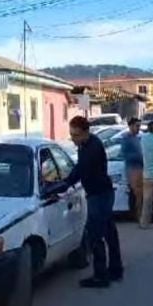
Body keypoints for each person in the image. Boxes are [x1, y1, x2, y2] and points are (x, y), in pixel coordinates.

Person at [50, 116, 123, 288]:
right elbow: (78, 169)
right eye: (71, 135)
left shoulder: (93, 148)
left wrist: (62, 186)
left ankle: (101, 276)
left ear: (85, 132)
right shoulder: (85, 145)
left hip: (99, 196)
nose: (73, 139)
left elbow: (80, 171)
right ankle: (115, 269)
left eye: (76, 135)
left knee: (96, 235)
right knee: (109, 233)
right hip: (100, 193)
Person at [120, 118, 144, 221]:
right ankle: (136, 215)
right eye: (137, 126)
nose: (138, 128)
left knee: (140, 193)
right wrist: (139, 157)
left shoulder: (136, 138)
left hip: (139, 167)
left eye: (139, 126)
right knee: (135, 192)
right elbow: (124, 154)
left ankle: (140, 214)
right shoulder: (126, 138)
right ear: (130, 126)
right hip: (132, 168)